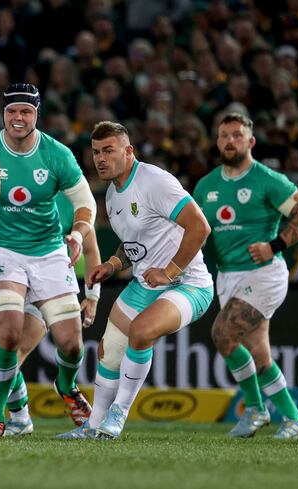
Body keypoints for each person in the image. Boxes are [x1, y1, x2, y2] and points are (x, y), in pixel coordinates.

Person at [0, 84, 99, 436]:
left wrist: (78, 234)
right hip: (1, 250)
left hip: (48, 252)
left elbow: (87, 203)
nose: (18, 118)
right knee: (6, 333)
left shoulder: (57, 154)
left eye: (26, 111)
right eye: (11, 111)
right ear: (2, 114)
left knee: (70, 343)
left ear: (37, 114)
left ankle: (65, 386)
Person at [60, 121, 214, 440]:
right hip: (145, 284)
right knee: (109, 350)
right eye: (96, 152)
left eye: (109, 151)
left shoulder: (154, 181)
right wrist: (114, 264)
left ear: (128, 151)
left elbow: (200, 227)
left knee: (141, 332)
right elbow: (135, 244)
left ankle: (119, 413)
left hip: (189, 284)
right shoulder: (114, 195)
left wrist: (170, 271)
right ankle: (93, 425)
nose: (100, 158)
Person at [193, 112, 298, 439]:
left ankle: (254, 409)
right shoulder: (206, 185)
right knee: (259, 352)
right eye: (223, 135)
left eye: (236, 135)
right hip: (228, 275)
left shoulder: (267, 180)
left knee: (223, 334)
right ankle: (293, 419)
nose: (229, 141)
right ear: (217, 141)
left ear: (251, 142)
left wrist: (276, 244)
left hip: (264, 273)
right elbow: (196, 230)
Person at [0, 191, 102, 436]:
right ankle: (21, 418)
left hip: (47, 281)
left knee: (18, 351)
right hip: (9, 273)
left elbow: (90, 248)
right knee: (0, 351)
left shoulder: (70, 199)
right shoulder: (10, 185)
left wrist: (93, 295)